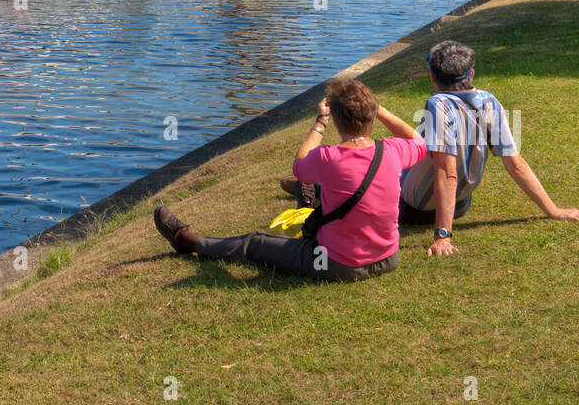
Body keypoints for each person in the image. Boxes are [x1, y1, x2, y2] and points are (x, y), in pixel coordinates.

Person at [154, 78, 427, 283]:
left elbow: (299, 166)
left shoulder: (329, 157)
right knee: (324, 192)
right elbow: (417, 141)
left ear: (337, 121)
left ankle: (190, 243)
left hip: (335, 264)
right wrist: (380, 111)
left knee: (256, 242)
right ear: (371, 115)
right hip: (388, 258)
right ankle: (306, 200)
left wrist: (319, 123)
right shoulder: (391, 150)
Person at [397, 40, 579, 256]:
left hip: (414, 209)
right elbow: (516, 165)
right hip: (460, 204)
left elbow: (448, 174)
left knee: (378, 162)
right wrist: (553, 210)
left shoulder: (438, 104)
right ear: (471, 73)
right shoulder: (489, 101)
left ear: (432, 77)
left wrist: (442, 236)